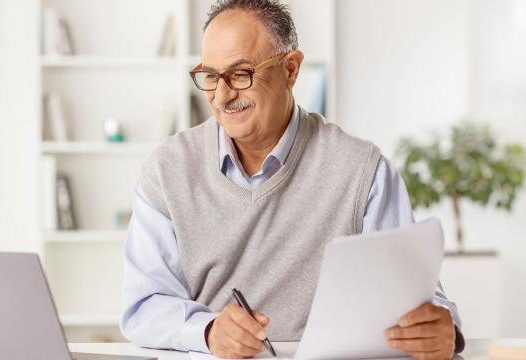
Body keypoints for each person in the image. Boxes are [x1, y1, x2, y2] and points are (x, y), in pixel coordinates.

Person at [120, 1, 464, 359]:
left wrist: (442, 331)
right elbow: (143, 304)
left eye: (240, 74)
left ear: (290, 69)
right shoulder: (167, 169)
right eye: (210, 76)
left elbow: (417, 297)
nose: (222, 96)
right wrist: (207, 331)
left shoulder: (364, 171)